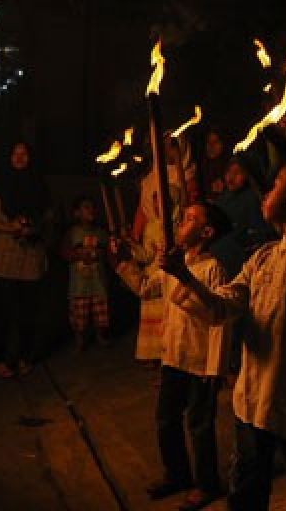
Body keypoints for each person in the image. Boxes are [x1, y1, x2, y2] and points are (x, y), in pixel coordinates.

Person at [167, 159, 286, 511]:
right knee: (246, 494)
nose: (265, 194)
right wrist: (185, 276)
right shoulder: (263, 256)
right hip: (251, 401)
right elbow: (224, 305)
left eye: (275, 185)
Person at [113, 201, 234, 511]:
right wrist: (122, 262)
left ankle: (207, 485)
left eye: (191, 218)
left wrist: (216, 368)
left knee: (199, 424)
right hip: (173, 358)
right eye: (184, 217)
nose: (181, 221)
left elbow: (218, 317)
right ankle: (177, 474)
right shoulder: (170, 266)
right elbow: (144, 288)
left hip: (200, 360)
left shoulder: (213, 269)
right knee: (166, 420)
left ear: (206, 232)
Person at [0, 141, 52, 378]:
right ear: (8, 157)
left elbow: (50, 216)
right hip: (4, 256)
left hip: (31, 257)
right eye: (15, 153)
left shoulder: (40, 186)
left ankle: (24, 356)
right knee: (2, 310)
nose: (20, 158)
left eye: (25, 154)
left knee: (28, 311)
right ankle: (0, 358)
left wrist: (35, 228)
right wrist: (9, 226)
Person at [130, 138, 194, 366]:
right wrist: (131, 244)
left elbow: (187, 204)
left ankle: (172, 357)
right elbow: (146, 249)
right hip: (153, 272)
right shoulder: (151, 182)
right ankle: (154, 355)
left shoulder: (186, 178)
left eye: (172, 145)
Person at [61, 196, 111, 350]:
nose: (91, 210)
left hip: (98, 281)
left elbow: (109, 252)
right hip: (79, 284)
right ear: (77, 213)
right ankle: (80, 339)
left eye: (92, 207)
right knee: (79, 317)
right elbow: (64, 252)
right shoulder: (72, 233)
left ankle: (100, 336)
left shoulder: (101, 233)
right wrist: (78, 255)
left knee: (101, 314)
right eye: (86, 207)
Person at [200, 127, 230, 199]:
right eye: (208, 142)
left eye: (216, 142)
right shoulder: (202, 166)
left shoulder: (230, 168)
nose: (211, 146)